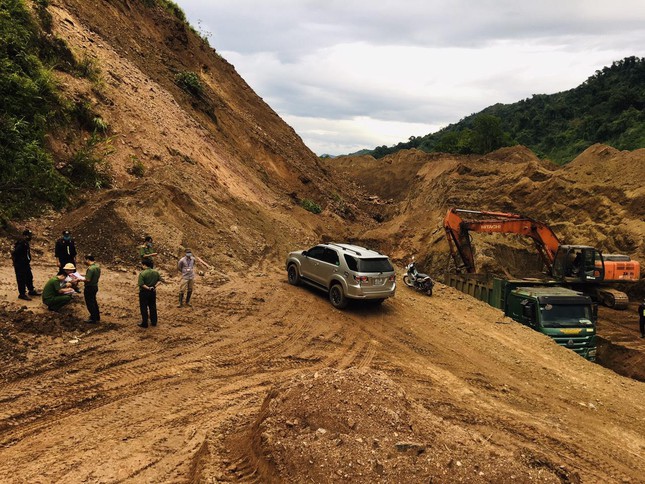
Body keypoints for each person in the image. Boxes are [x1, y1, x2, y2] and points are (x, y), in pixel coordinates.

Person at [11, 229, 40, 301]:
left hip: (26, 264)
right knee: (21, 279)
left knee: (29, 276)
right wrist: (18, 261)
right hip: (20, 265)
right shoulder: (21, 244)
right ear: (25, 236)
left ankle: (31, 290)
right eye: (29, 235)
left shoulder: (26, 243)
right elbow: (15, 253)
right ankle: (22, 294)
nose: (30, 237)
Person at [138, 258, 161, 328]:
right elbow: (159, 281)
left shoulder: (142, 273)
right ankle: (154, 322)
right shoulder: (156, 272)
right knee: (152, 306)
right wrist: (153, 287)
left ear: (144, 265)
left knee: (144, 307)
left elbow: (141, 284)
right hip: (153, 292)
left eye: (142, 265)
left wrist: (148, 288)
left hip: (144, 292)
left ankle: (145, 323)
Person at [83, 255, 101, 324]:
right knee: (94, 302)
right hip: (95, 286)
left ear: (88, 260)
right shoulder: (97, 267)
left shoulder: (90, 269)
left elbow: (87, 279)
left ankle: (93, 318)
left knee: (90, 303)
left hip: (89, 287)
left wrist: (80, 279)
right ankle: (97, 316)